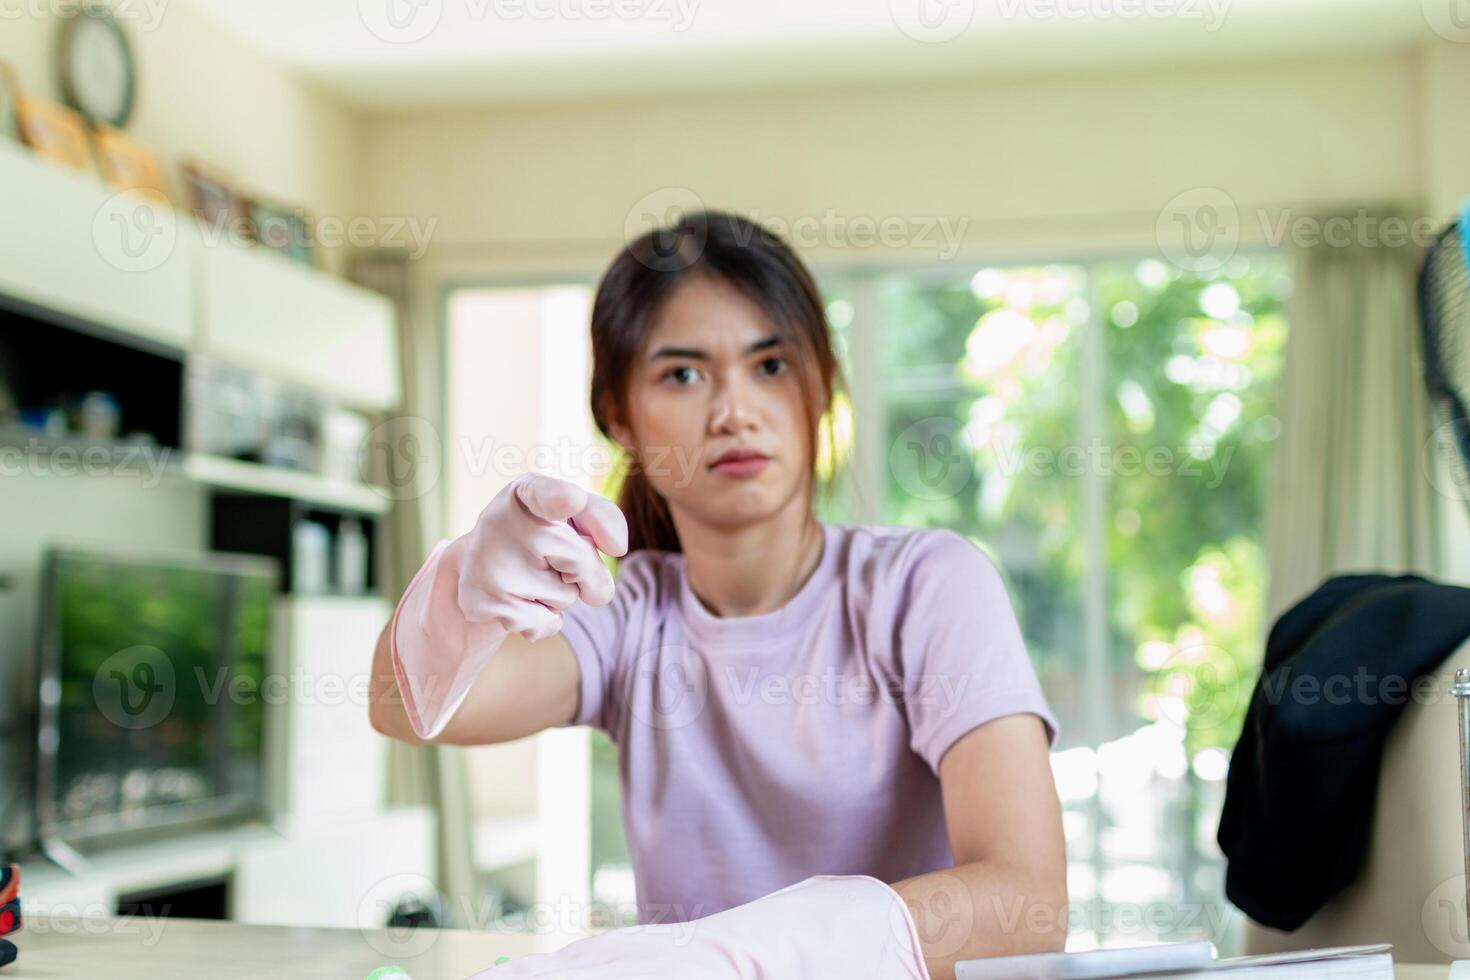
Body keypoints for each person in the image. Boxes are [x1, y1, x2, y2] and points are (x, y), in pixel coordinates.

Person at [369, 210, 1067, 980]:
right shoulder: (625, 611)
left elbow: (1026, 906)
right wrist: (458, 598)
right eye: (684, 373)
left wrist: (734, 958)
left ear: (821, 387)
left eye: (769, 365)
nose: (735, 412)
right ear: (620, 418)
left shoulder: (926, 586)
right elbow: (405, 710)